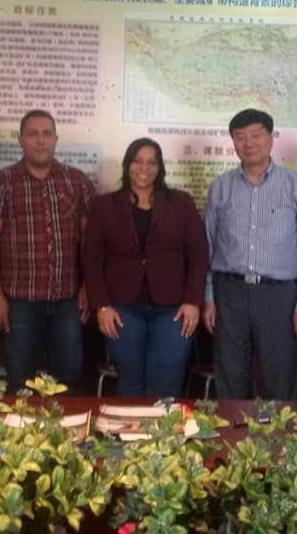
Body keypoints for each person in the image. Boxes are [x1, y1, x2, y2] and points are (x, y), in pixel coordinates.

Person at [202, 108, 297, 400]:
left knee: (280, 377)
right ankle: (232, 429)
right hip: (229, 292)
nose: (249, 143)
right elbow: (208, 247)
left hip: (279, 295)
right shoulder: (220, 187)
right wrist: (208, 298)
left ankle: (279, 432)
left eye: (256, 135)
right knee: (230, 375)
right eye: (240, 137)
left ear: (271, 138)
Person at [0, 109, 96, 394]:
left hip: (67, 299)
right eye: (32, 134)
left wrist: (88, 285)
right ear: (20, 139)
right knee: (19, 379)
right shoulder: (2, 182)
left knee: (68, 379)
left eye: (46, 134)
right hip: (20, 300)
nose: (40, 140)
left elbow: (90, 239)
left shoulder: (77, 181)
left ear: (56, 139)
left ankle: (66, 425)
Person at [84, 137, 207, 397]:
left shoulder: (181, 203)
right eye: (138, 161)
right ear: (127, 164)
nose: (144, 168)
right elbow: (92, 260)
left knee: (168, 382)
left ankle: (166, 426)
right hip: (121, 308)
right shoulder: (103, 206)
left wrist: (192, 302)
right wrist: (101, 305)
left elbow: (198, 255)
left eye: (152, 162)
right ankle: (131, 426)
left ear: (160, 167)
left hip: (173, 309)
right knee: (130, 381)